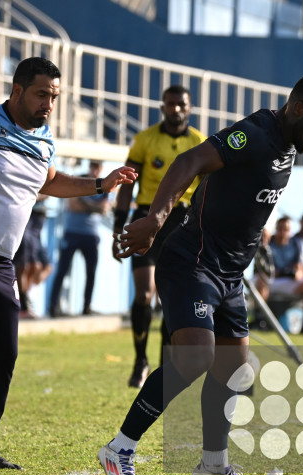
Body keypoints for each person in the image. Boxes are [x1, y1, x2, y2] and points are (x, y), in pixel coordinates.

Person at [97, 73, 303, 475]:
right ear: (299, 108)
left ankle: (214, 464)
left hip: (230, 275)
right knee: (195, 357)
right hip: (192, 262)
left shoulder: (289, 144)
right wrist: (155, 219)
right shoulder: (253, 135)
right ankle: (119, 448)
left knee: (233, 368)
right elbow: (188, 163)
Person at [0, 59, 136, 472]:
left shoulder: (43, 140)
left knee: (5, 352)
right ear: (18, 91)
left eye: (55, 97)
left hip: (3, 264)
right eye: (42, 94)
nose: (49, 104)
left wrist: (101, 183)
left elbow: (49, 182)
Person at [112, 85, 207, 388]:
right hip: (147, 216)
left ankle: (166, 367)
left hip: (183, 221)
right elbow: (127, 183)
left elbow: (208, 188)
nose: (176, 109)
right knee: (144, 294)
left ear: (189, 108)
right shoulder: (145, 139)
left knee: (172, 297)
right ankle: (140, 361)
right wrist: (119, 223)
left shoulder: (199, 142)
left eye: (181, 104)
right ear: (162, 106)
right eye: (170, 104)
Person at [48, 160, 111, 317]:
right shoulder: (79, 181)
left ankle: (86, 306)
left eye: (97, 167)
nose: (94, 170)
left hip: (91, 235)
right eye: (92, 166)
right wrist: (93, 207)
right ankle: (53, 306)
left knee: (91, 272)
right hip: (73, 233)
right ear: (89, 166)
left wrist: (85, 202)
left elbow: (104, 209)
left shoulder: (105, 186)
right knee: (62, 269)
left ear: (101, 168)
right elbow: (73, 205)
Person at [268, 215, 303, 333]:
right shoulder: (269, 243)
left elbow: (299, 269)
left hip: (289, 282)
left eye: (286, 229)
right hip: (271, 282)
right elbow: (267, 272)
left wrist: (294, 273)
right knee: (261, 282)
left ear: (290, 231)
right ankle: (259, 319)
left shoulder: (295, 245)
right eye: (280, 228)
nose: (282, 232)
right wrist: (285, 272)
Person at [13, 196, 53, 318]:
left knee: (39, 267)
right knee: (23, 266)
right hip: (27, 217)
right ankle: (23, 305)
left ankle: (25, 298)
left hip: (39, 220)